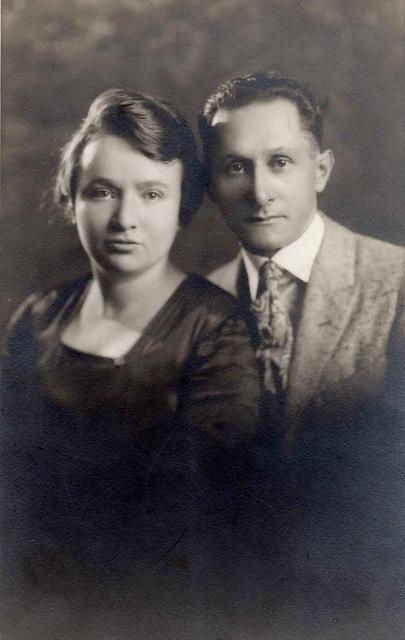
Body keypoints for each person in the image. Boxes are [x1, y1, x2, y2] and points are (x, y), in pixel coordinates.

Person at [1, 89, 261, 631]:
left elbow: (202, 520)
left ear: (182, 207)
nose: (125, 218)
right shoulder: (38, 317)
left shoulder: (216, 329)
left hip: (149, 612)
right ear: (71, 199)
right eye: (102, 192)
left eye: (152, 194)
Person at [198, 72, 405, 637]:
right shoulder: (197, 305)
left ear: (321, 170)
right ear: (212, 183)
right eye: (236, 167)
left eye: (281, 162)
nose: (259, 191)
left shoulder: (396, 282)